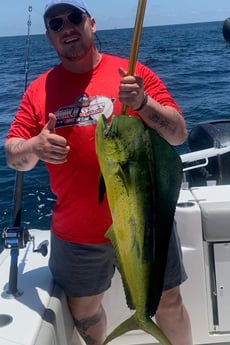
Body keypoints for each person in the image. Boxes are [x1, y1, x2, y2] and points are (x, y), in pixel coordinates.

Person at [5, 1, 193, 344]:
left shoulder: (133, 73)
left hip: (146, 220)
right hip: (77, 232)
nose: (67, 28)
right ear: (49, 37)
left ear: (91, 24)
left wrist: (142, 104)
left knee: (169, 300)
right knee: (86, 314)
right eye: (56, 24)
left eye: (74, 18)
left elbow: (178, 134)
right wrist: (34, 147)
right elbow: (13, 154)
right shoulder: (38, 91)